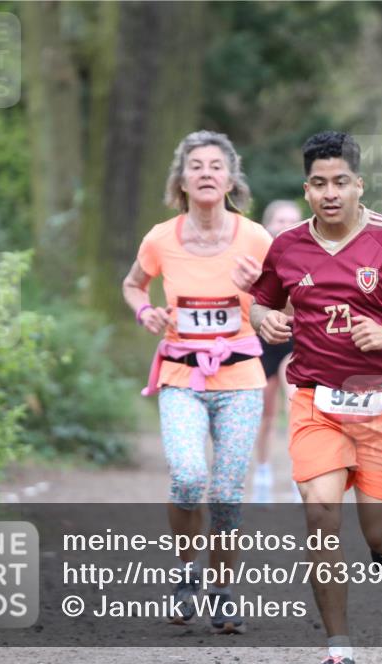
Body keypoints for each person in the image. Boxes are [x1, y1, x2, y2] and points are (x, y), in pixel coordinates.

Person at [249, 131, 382, 664]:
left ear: (359, 184)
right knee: (320, 514)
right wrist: (264, 319)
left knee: (380, 535)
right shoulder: (288, 245)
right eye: (319, 184)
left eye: (341, 181)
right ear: (307, 188)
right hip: (316, 401)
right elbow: (261, 302)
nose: (330, 192)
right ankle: (339, 650)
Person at [121, 130, 272, 633]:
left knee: (227, 493)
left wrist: (262, 290)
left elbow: (288, 303)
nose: (206, 173)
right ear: (181, 181)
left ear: (231, 179)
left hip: (241, 379)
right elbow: (132, 284)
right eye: (196, 166)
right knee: (187, 478)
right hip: (182, 375)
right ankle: (187, 575)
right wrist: (145, 312)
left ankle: (223, 590)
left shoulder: (256, 238)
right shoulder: (160, 238)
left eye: (215, 166)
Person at [251, 200, 302, 503]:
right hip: (262, 340)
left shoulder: (311, 256)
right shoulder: (255, 258)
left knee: (297, 407)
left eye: (293, 220)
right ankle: (263, 472)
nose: (286, 226)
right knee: (266, 413)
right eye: (280, 220)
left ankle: (301, 477)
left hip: (296, 339)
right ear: (268, 225)